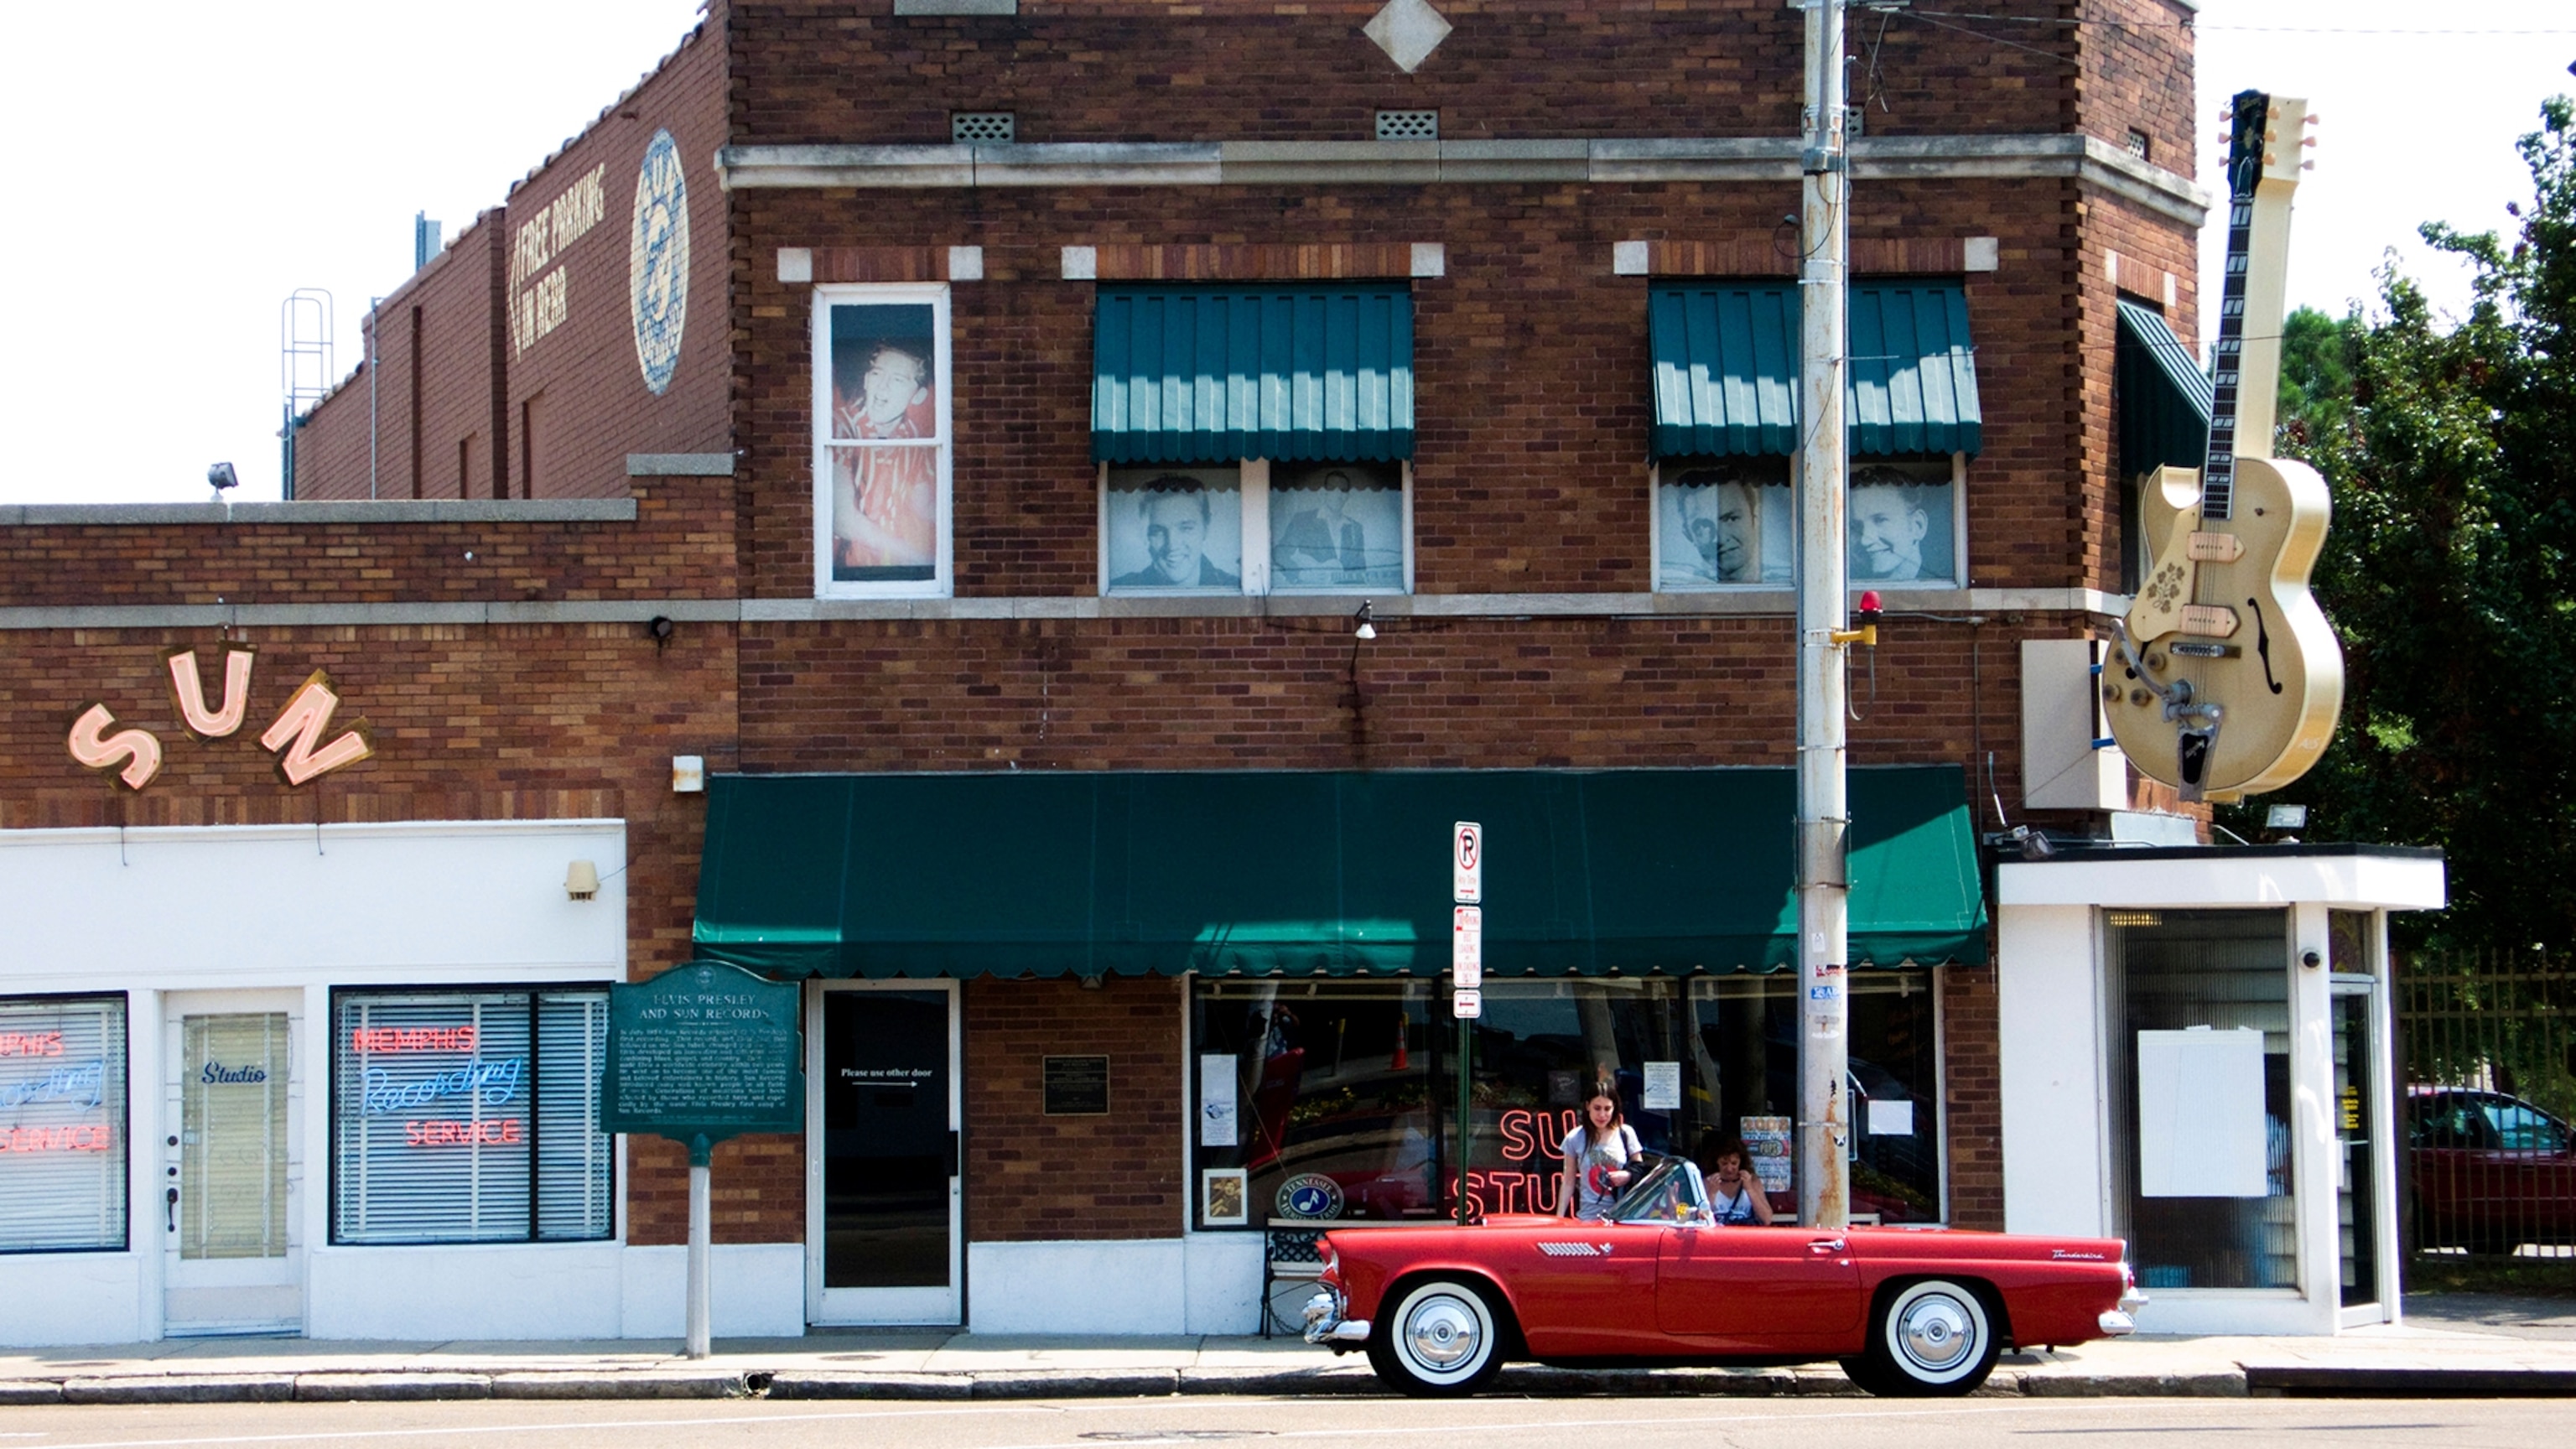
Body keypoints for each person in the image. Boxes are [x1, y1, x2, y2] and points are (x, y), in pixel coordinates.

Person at [830, 339, 937, 577]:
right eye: (877, 374)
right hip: (845, 574)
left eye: (898, 380)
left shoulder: (912, 436)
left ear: (918, 395)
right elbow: (842, 518)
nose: (882, 388)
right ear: (867, 380)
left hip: (889, 569)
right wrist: (917, 558)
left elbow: (923, 503)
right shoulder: (840, 427)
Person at [1111, 480, 1241, 589]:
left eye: (1185, 528)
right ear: (1146, 534)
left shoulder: (1232, 586)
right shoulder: (1121, 588)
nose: (1172, 546)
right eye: (1158, 531)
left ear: (1206, 528)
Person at [1556, 1081, 1641, 1222]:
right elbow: (1568, 1182)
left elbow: (1641, 1172)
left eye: (1607, 1109)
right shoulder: (1575, 1138)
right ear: (1588, 1106)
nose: (1602, 1115)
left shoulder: (1626, 1134)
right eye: (1597, 1108)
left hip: (1623, 1218)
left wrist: (1628, 1175)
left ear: (1614, 1108)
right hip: (1588, 1218)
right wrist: (1559, 1218)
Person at [1273, 470, 1369, 585]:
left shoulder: (1355, 528)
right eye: (1332, 488)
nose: (1337, 494)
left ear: (1347, 496)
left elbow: (1360, 568)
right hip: (1311, 594)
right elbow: (1279, 554)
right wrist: (1300, 574)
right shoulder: (1303, 521)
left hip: (1344, 594)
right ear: (1323, 493)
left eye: (1343, 490)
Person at [1671, 469, 1760, 583]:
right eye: (1702, 527)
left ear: (1754, 520)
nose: (1721, 539)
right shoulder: (1681, 583)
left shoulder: (1781, 578)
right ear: (1688, 534)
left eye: (1731, 519)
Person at [1849, 469, 1930, 581]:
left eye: (1880, 520)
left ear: (1918, 525)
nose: (1865, 540)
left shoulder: (1943, 581)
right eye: (1856, 526)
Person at [1696, 1135, 1776, 1224]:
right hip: (1717, 1236)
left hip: (1745, 1236)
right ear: (1716, 1162)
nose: (1729, 1168)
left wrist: (1750, 1190)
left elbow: (1767, 1219)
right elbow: (1701, 1218)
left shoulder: (1752, 1181)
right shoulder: (1707, 1182)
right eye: (1724, 1163)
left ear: (1741, 1163)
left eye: (1734, 1163)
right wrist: (1712, 1193)